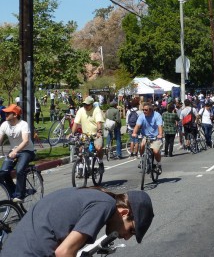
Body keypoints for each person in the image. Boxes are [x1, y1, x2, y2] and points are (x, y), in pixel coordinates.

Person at [2, 187, 154, 256]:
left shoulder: (93, 196)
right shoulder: (105, 205)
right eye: (131, 230)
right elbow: (64, 252)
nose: (127, 237)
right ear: (125, 212)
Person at [0, 104, 34, 203]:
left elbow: (25, 141)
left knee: (20, 169)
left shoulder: (23, 124)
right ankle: (14, 192)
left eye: (7, 113)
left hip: (27, 151)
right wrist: (13, 151)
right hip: (13, 151)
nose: (5, 114)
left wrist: (15, 151)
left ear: (15, 114)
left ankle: (20, 195)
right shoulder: (4, 125)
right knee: (3, 173)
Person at [72, 97, 105, 174]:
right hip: (85, 134)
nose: (85, 106)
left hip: (96, 134)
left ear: (92, 104)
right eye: (84, 104)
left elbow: (99, 123)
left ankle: (100, 162)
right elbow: (75, 123)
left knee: (98, 147)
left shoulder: (96, 110)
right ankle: (81, 165)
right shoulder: (81, 111)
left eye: (87, 105)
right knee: (80, 149)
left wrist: (99, 131)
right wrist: (72, 134)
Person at [131, 102, 163, 173]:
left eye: (146, 110)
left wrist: (160, 134)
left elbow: (159, 126)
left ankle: (159, 164)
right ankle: (142, 160)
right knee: (142, 145)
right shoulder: (142, 116)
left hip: (156, 137)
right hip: (146, 136)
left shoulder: (157, 115)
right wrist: (134, 133)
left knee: (155, 151)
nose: (144, 111)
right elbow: (137, 125)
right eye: (143, 110)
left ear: (151, 110)